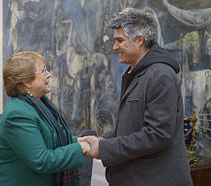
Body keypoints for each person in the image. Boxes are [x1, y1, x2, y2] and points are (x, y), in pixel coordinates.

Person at [79, 7, 193, 186]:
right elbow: (133, 127)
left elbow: (158, 135)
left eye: (119, 41)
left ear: (139, 40)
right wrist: (105, 140)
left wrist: (105, 148)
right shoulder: (137, 72)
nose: (114, 47)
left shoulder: (160, 75)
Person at [0, 51, 90, 186]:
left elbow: (49, 140)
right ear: (26, 82)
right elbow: (41, 160)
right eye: (43, 71)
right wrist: (81, 147)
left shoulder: (40, 103)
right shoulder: (18, 113)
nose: (49, 74)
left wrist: (79, 140)